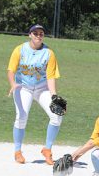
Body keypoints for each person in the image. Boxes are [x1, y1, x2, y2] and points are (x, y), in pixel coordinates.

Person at [7, 24, 62, 165]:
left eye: (41, 33)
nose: (38, 35)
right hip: (23, 87)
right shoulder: (20, 50)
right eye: (35, 33)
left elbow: (50, 76)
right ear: (29, 35)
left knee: (56, 116)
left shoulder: (49, 53)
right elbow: (11, 70)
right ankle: (17, 151)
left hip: (42, 88)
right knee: (21, 116)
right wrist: (13, 84)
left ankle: (47, 150)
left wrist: (54, 95)